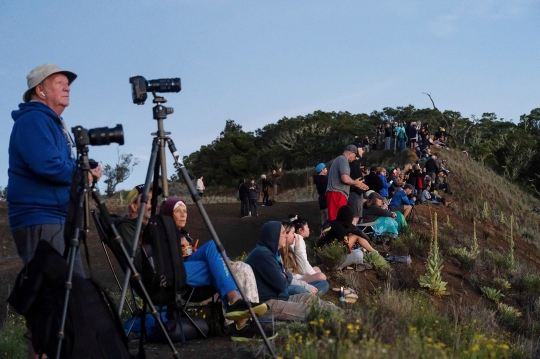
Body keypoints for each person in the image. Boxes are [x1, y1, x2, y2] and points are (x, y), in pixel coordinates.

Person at [8, 63, 103, 359]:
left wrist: (82, 170)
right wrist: (82, 173)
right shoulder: (34, 120)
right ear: (40, 90)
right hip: (40, 217)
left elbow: (56, 164)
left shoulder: (50, 123)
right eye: (59, 82)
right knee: (49, 297)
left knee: (66, 294)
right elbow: (46, 165)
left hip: (54, 216)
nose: (67, 87)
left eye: (67, 83)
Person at [159, 198, 266, 336]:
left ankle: (244, 322)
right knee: (215, 258)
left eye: (185, 211)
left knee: (215, 247)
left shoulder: (185, 235)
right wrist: (175, 244)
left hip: (189, 265)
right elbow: (164, 260)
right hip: (177, 271)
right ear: (168, 214)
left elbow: (190, 255)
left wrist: (222, 260)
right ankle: (234, 302)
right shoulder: (161, 235)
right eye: (178, 211)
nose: (183, 214)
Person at [246, 222, 339, 321]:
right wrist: (287, 276)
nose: (286, 236)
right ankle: (341, 318)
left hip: (281, 298)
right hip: (268, 304)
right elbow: (281, 285)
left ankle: (342, 313)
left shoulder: (270, 253)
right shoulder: (263, 255)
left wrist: (286, 276)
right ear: (274, 236)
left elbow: (285, 278)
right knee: (310, 310)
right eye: (283, 233)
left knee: (310, 297)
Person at [317, 205, 376, 271]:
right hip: (333, 263)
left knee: (356, 241)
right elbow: (345, 251)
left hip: (323, 258)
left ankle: (373, 252)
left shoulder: (332, 223)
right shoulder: (341, 229)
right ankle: (374, 253)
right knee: (359, 254)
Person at [279, 221, 328, 296]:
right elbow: (288, 278)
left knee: (324, 283)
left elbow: (302, 270)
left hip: (296, 279)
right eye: (292, 233)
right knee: (299, 289)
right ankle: (307, 298)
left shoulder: (290, 250)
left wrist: (297, 248)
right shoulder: (279, 253)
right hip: (292, 282)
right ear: (285, 235)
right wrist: (307, 284)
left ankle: (306, 297)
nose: (295, 236)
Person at [325, 144, 368, 221]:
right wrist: (355, 182)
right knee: (338, 219)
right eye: (355, 155)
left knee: (335, 218)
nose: (355, 158)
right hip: (337, 194)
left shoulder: (338, 160)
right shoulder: (343, 160)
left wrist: (358, 184)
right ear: (350, 153)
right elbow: (345, 178)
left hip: (335, 193)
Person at [347, 148, 367, 225]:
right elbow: (354, 179)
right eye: (361, 149)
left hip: (356, 193)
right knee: (355, 217)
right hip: (355, 194)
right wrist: (360, 189)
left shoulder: (353, 164)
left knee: (356, 217)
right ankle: (352, 235)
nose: (363, 151)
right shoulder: (352, 164)